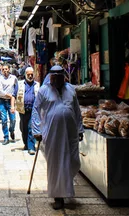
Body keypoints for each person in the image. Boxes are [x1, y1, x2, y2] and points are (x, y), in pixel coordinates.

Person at [31, 65, 84, 210]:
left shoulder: (71, 90)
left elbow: (77, 110)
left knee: (72, 161)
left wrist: (80, 129)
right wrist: (37, 130)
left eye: (59, 76)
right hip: (52, 133)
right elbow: (35, 110)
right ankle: (58, 197)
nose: (56, 79)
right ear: (50, 76)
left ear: (63, 77)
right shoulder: (44, 90)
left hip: (70, 132)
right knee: (55, 164)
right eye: (53, 76)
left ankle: (66, 189)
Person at [16, 67, 40, 155]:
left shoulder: (37, 85)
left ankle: (31, 147)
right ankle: (26, 144)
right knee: (24, 128)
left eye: (31, 74)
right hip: (22, 110)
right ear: (25, 75)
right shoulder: (20, 84)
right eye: (28, 74)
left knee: (31, 128)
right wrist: (12, 106)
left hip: (33, 110)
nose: (30, 76)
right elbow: (14, 95)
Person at [0, 63, 18, 145]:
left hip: (11, 102)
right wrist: (10, 95)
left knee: (13, 119)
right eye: (3, 69)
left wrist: (15, 97)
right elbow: (0, 91)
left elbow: (17, 88)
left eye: (6, 69)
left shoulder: (13, 78)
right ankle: (6, 136)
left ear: (9, 69)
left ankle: (11, 130)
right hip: (2, 101)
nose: (5, 71)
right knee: (4, 120)